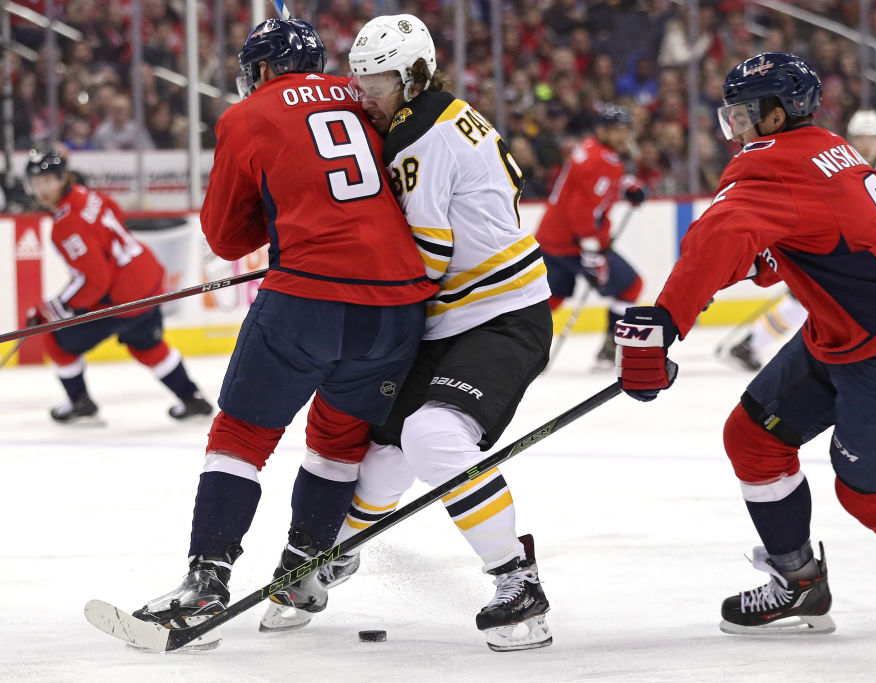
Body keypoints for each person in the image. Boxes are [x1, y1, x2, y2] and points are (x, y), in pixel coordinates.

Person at [614, 52, 876, 634]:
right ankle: (798, 581)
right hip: (851, 332)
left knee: (869, 495)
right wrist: (756, 262)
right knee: (751, 438)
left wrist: (662, 329)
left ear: (776, 115)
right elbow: (813, 239)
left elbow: (719, 237)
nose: (738, 129)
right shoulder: (824, 148)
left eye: (744, 115)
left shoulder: (771, 164)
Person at [129, 18, 436, 650]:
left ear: (262, 69)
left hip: (309, 299)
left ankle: (208, 580)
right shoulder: (359, 97)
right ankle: (300, 577)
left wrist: (280, 221)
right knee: (335, 443)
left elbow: (224, 238)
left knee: (240, 436)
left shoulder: (245, 117)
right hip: (400, 304)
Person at [260, 14, 555, 652]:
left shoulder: (420, 137)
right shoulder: (428, 116)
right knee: (383, 453)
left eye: (378, 82)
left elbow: (426, 259)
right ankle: (335, 554)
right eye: (359, 80)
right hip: (454, 318)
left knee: (432, 435)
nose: (363, 94)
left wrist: (339, 268)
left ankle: (516, 581)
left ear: (415, 75)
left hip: (500, 314)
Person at [23, 148, 212, 423]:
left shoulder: (66, 224)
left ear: (62, 177)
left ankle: (80, 403)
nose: (42, 189)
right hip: (147, 279)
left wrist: (54, 309)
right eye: (37, 183)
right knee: (146, 344)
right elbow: (114, 214)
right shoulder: (88, 195)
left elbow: (95, 281)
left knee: (55, 338)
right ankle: (191, 398)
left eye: (48, 180)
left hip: (122, 296)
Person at [722, 108, 876, 372]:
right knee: (803, 302)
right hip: (828, 247)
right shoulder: (841, 160)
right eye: (861, 137)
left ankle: (752, 343)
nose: (868, 144)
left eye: (873, 137)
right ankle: (753, 344)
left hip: (841, 250)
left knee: (804, 303)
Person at [535, 104, 647, 369]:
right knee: (632, 286)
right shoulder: (603, 161)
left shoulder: (590, 149)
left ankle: (518, 349)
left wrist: (626, 184)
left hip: (552, 238)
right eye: (615, 130)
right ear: (601, 130)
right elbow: (582, 209)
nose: (622, 136)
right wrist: (592, 251)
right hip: (574, 244)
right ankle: (609, 351)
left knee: (552, 297)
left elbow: (590, 188)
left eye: (625, 130)